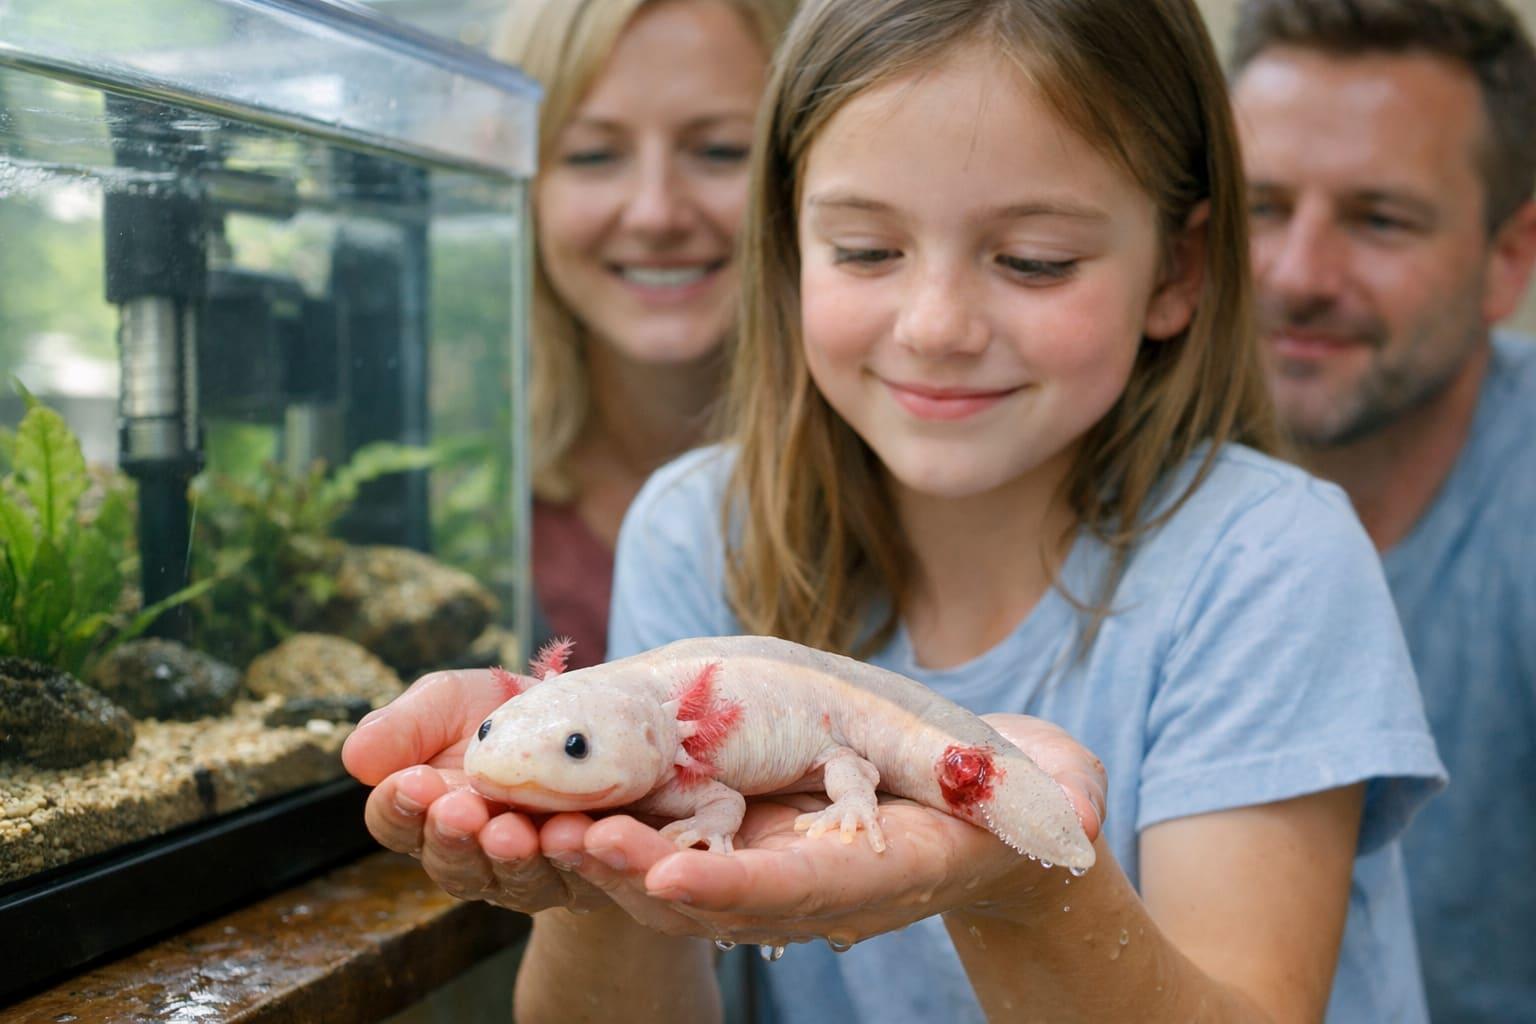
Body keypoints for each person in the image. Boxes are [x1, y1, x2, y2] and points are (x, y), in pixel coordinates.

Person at [345, 0, 1448, 1020]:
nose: (935, 324)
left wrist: (1022, 887)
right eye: (866, 249)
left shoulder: (1269, 560)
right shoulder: (698, 527)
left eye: (1033, 259)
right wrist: (590, 870)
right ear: (787, 248)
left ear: (1179, 268)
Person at [1227, 2, 1536, 1020]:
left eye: (1379, 219)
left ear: (1511, 256)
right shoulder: (1089, 473)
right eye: (1261, 206)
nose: (1297, 275)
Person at [495, 0, 797, 670]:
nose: (656, 213)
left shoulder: (904, 478)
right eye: (594, 154)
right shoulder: (464, 486)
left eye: (719, 150)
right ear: (523, 185)